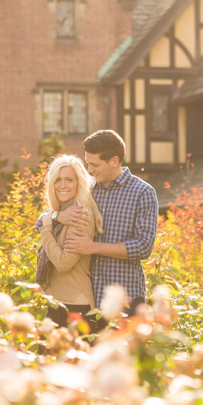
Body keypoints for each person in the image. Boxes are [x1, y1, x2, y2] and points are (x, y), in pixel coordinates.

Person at [63, 130, 158, 319]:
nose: (89, 170)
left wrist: (93, 247)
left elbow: (144, 247)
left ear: (114, 161)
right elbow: (43, 219)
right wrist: (59, 215)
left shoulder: (142, 192)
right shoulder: (85, 189)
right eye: (88, 163)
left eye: (94, 164)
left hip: (126, 301)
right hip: (88, 300)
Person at [34, 154, 103, 328]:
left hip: (75, 307)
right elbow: (44, 219)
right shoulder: (59, 214)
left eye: (69, 180)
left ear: (78, 183)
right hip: (58, 303)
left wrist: (46, 228)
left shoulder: (81, 216)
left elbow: (63, 264)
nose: (62, 185)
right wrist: (52, 218)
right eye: (58, 179)